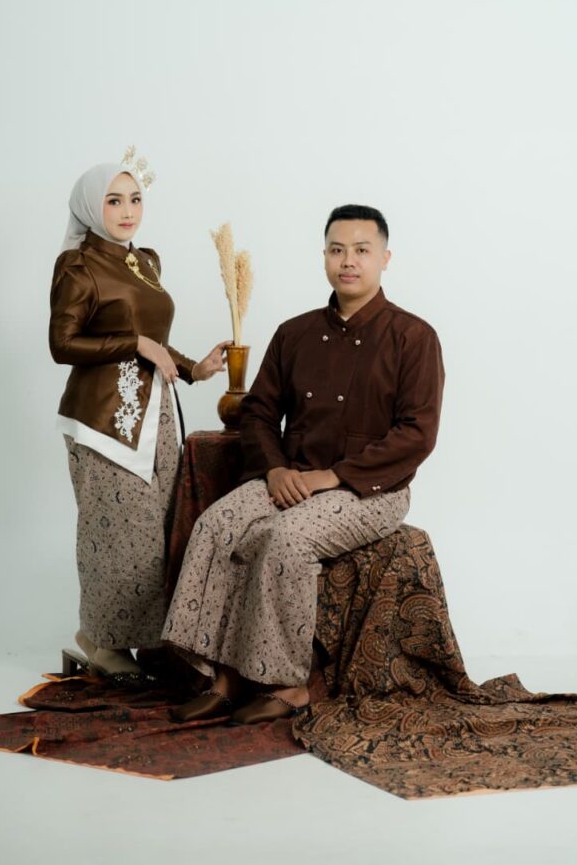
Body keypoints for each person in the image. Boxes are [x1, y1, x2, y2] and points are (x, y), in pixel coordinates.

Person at [164, 204, 445, 723]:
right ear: (324, 256)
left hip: (370, 489)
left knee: (283, 538)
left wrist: (332, 476)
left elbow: (417, 434)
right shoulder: (294, 333)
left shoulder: (414, 337)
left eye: (361, 250)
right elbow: (259, 412)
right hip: (290, 475)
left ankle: (287, 684)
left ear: (385, 258)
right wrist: (274, 469)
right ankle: (221, 676)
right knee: (216, 525)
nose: (348, 261)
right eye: (337, 250)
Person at [49, 149, 229, 679]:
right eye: (113, 201)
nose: (127, 211)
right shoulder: (78, 265)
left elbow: (155, 341)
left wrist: (195, 368)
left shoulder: (145, 260)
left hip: (155, 416)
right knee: (113, 534)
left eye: (135, 199)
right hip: (103, 421)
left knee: (155, 535)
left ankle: (149, 640)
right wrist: (135, 344)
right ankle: (99, 639)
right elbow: (62, 344)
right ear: (91, 206)